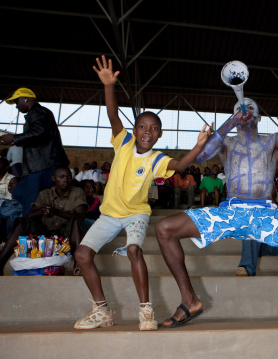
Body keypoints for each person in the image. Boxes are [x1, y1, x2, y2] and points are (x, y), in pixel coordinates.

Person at [156, 61, 278, 328]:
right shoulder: (225, 141)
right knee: (164, 228)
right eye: (241, 108)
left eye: (251, 109)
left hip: (266, 214)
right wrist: (229, 122)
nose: (245, 111)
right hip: (230, 212)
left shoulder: (271, 140)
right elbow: (202, 155)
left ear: (259, 117)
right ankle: (189, 299)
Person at [73, 56, 211, 331]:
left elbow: (181, 165)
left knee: (135, 249)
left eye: (154, 128)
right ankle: (101, 310)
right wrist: (109, 86)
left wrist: (197, 148)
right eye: (142, 127)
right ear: (135, 130)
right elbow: (113, 115)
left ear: (159, 135)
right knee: (82, 255)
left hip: (136, 213)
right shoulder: (123, 142)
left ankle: (145, 311)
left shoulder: (157, 159)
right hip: (109, 214)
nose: (148, 131)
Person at [0, 167, 87, 276]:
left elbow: (81, 216)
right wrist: (42, 210)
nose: (65, 180)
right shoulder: (45, 194)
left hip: (66, 234)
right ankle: (0, 262)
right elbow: (30, 214)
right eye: (61, 177)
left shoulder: (77, 192)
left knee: (76, 221)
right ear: (53, 178)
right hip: (45, 233)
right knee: (23, 222)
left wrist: (56, 212)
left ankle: (78, 265)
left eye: (68, 177)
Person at [0, 88, 70, 217]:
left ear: (26, 99)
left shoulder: (38, 112)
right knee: (19, 192)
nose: (16, 106)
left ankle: (29, 231)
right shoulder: (37, 113)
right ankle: (40, 215)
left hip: (43, 165)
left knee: (30, 199)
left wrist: (14, 138)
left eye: (17, 102)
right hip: (37, 165)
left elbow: (40, 131)